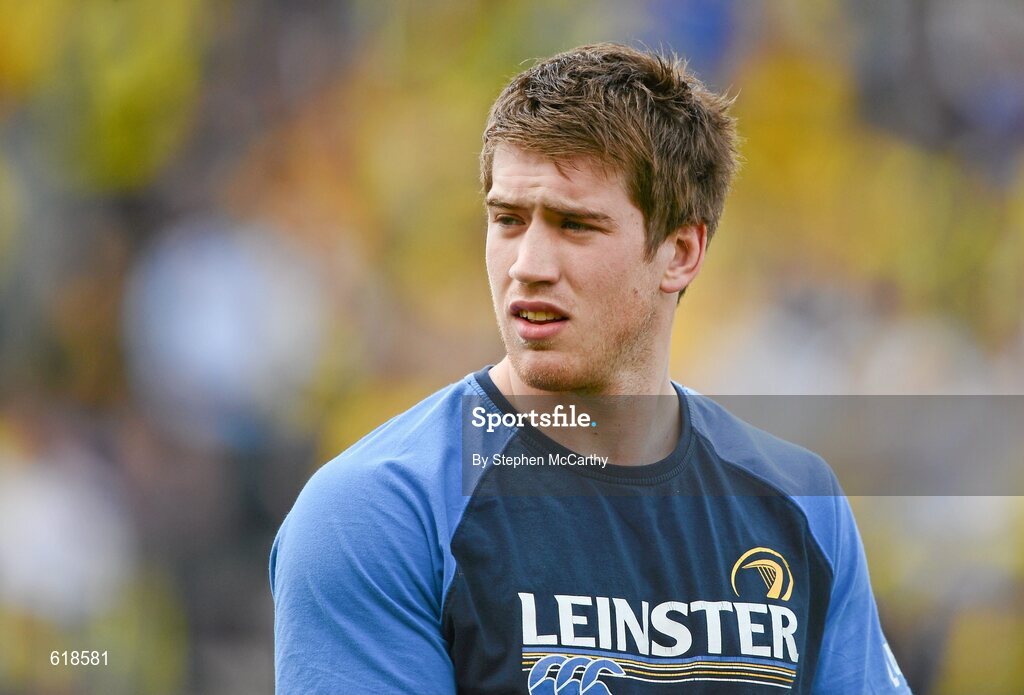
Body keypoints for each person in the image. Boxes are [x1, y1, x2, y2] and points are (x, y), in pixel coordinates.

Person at [270, 43, 910, 694]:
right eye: (508, 219)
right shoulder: (375, 513)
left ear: (680, 253)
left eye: (575, 225)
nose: (528, 264)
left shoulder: (801, 503)